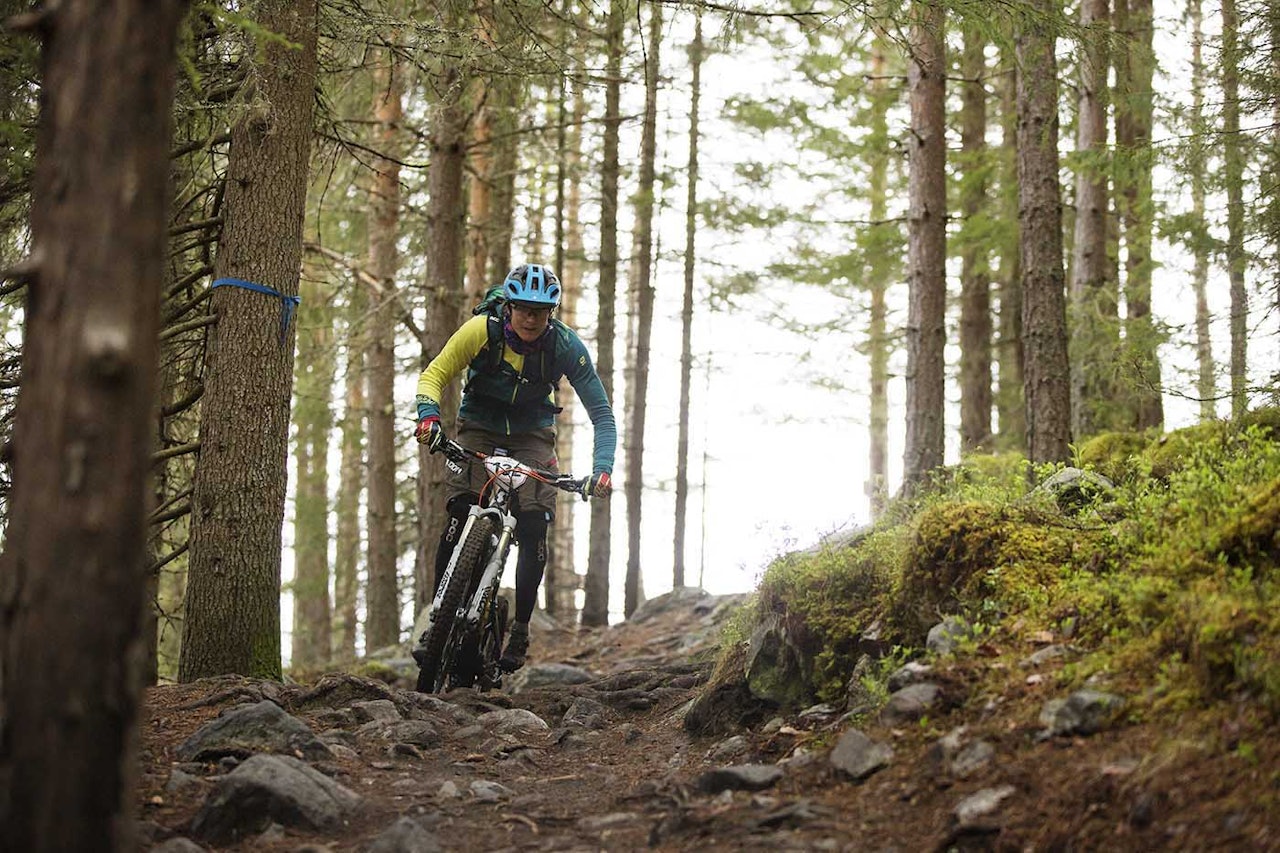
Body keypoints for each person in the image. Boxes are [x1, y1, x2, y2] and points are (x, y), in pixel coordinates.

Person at [412, 262, 615, 671]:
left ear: (551, 313)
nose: (530, 317)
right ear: (508, 306)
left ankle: (520, 628)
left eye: (540, 311)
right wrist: (429, 417)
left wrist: (602, 468)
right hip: (479, 427)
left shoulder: (564, 346)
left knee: (535, 523)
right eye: (523, 308)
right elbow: (434, 375)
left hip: (532, 435)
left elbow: (602, 414)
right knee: (459, 511)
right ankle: (439, 614)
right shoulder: (480, 332)